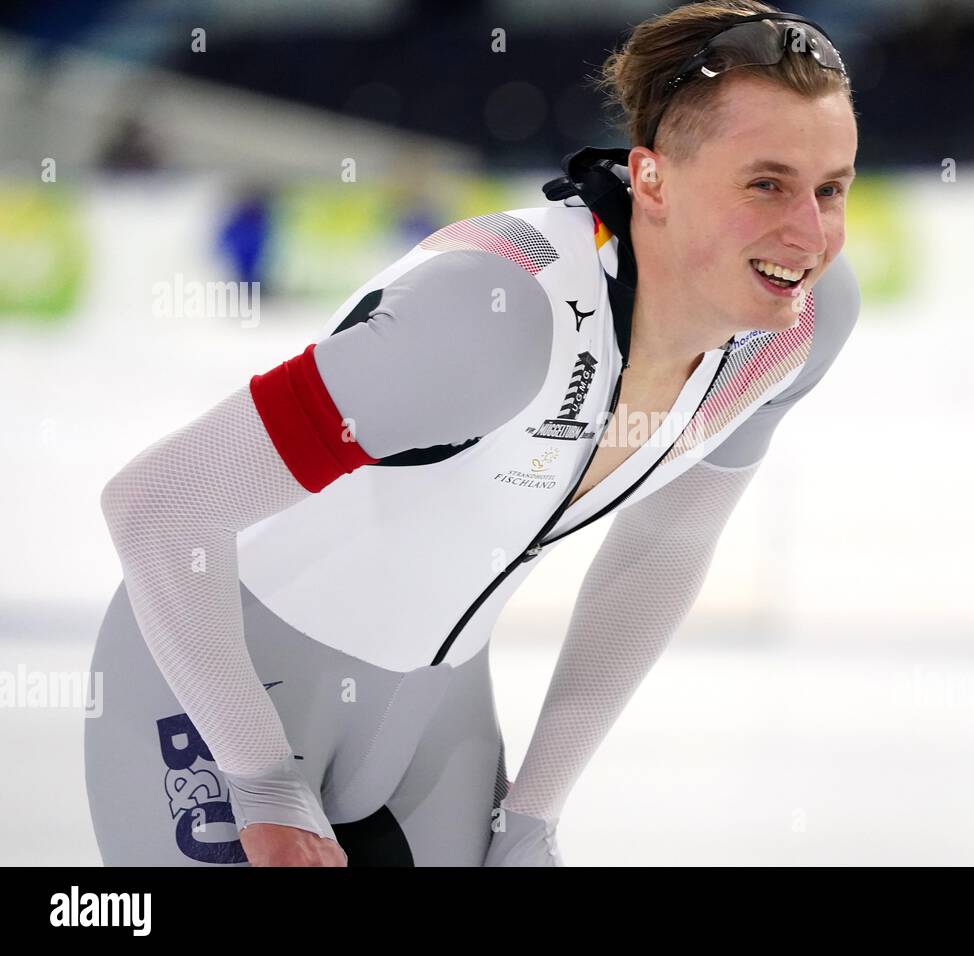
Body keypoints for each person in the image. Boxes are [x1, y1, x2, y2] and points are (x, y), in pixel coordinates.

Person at [88, 0, 861, 867]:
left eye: (831, 188)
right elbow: (155, 508)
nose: (810, 234)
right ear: (650, 179)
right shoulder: (501, 315)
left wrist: (535, 811)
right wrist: (261, 780)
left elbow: (667, 540)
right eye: (766, 183)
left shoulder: (797, 327)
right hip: (217, 692)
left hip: (435, 724)